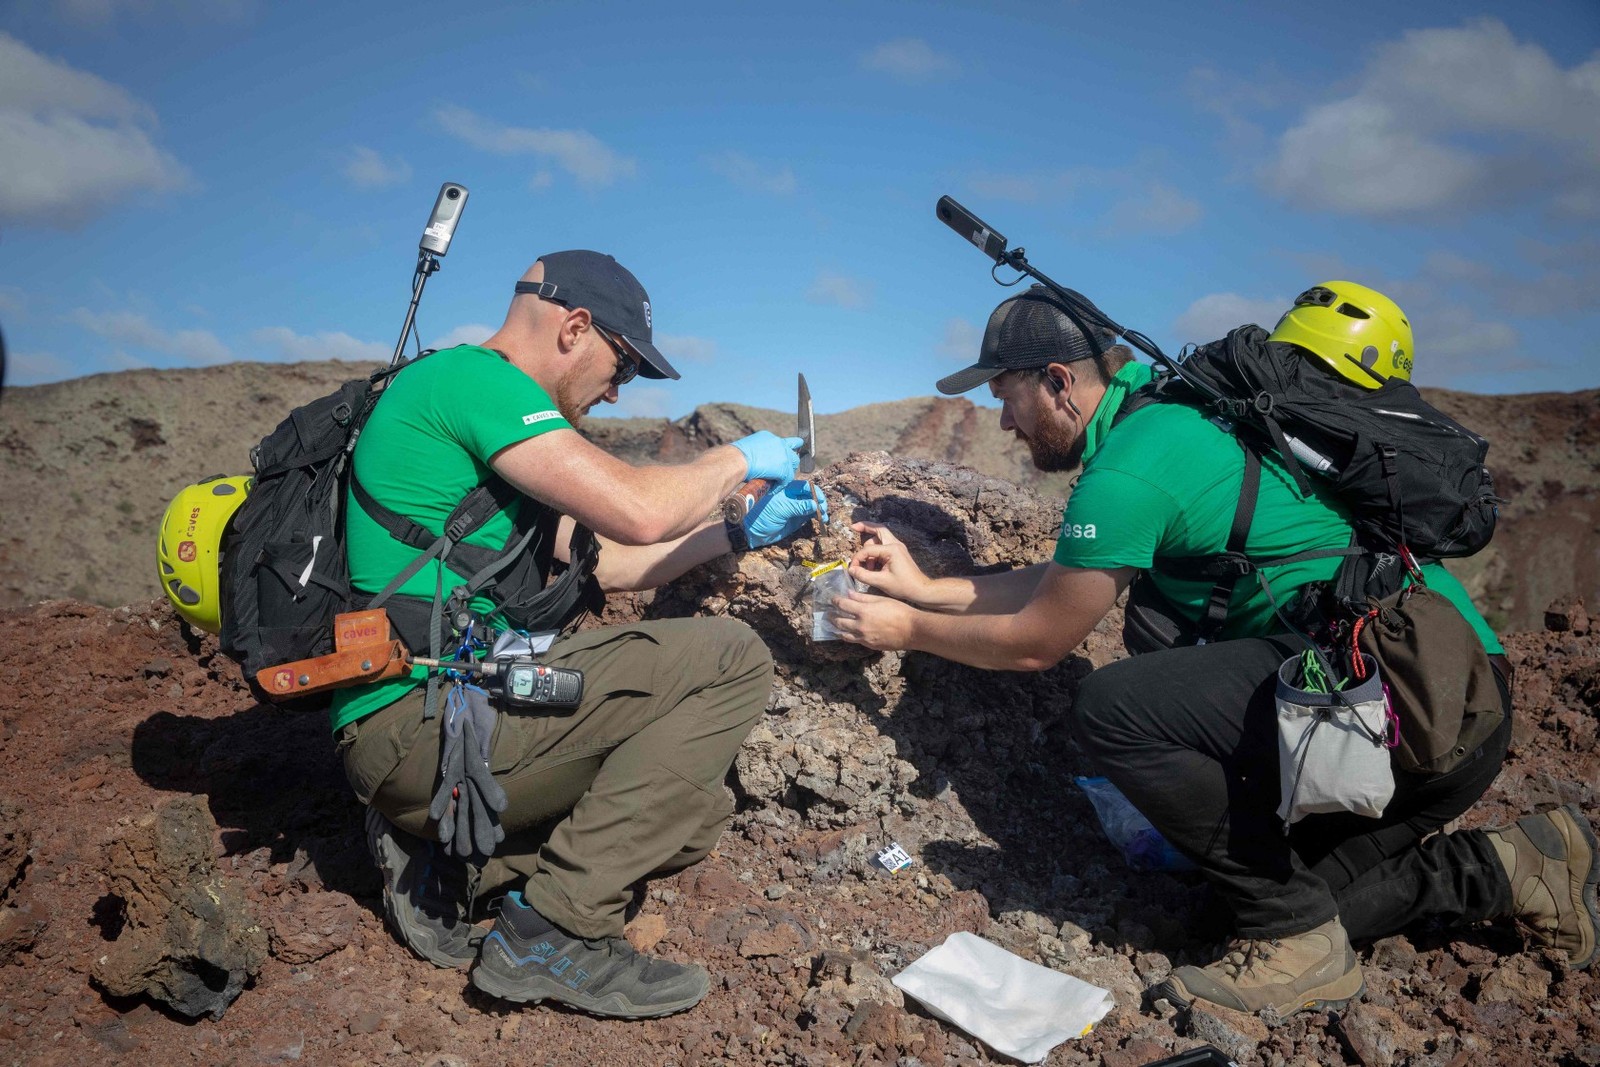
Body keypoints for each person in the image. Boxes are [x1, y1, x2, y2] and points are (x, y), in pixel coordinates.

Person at [829, 281, 1600, 1019]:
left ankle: (1296, 941)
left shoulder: (1134, 461)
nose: (1004, 421)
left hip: (1407, 698)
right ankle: (1521, 863)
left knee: (1114, 707)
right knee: (1245, 904)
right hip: (1456, 694)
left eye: (1005, 394)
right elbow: (1071, 580)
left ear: (1058, 379)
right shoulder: (1174, 418)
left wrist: (905, 629)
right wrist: (925, 588)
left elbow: (1038, 640)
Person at [336, 250, 826, 1019]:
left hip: (448, 726)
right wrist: (740, 456)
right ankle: (551, 933)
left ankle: (457, 863)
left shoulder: (501, 436)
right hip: (421, 721)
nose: (617, 388)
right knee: (732, 657)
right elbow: (637, 508)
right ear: (574, 328)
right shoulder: (477, 381)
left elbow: (616, 563)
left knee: (690, 813)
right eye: (621, 363)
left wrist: (737, 534)